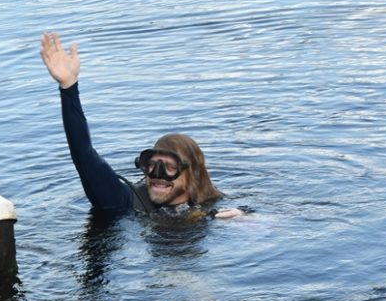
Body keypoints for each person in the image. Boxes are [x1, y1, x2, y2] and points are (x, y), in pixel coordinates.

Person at [39, 31, 244, 219]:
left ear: (192, 174)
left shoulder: (216, 208)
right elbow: (84, 155)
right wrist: (68, 87)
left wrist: (243, 218)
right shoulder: (125, 202)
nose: (158, 175)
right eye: (153, 164)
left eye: (170, 167)